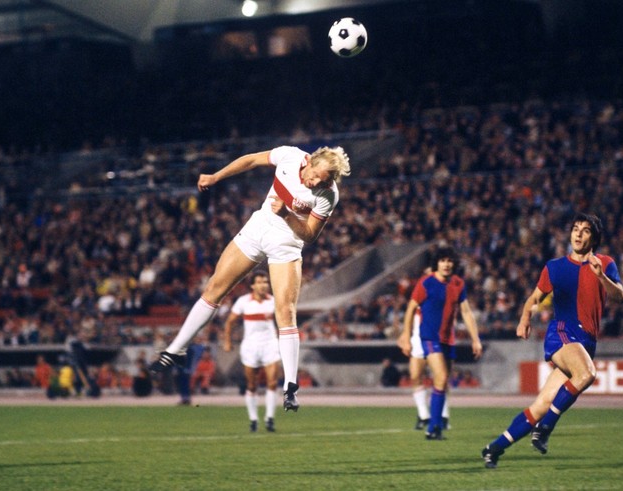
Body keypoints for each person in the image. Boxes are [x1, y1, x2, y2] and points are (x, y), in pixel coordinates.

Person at [148, 145, 351, 412]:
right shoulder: (290, 155)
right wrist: (215, 177)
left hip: (286, 244)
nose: (316, 184)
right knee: (213, 289)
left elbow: (311, 235)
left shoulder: (327, 194)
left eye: (323, 182)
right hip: (257, 229)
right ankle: (176, 350)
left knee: (285, 311)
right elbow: (251, 160)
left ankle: (290, 387)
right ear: (310, 162)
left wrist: (287, 215)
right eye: (316, 177)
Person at [481, 212, 623, 468]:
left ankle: (494, 448)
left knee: (541, 405)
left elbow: (620, 297)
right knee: (587, 374)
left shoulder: (605, 263)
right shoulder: (555, 267)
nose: (578, 234)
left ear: (594, 238)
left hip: (586, 342)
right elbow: (534, 298)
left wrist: (602, 276)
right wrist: (524, 318)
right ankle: (546, 428)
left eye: (585, 230)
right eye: (575, 229)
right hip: (561, 332)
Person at [397, 246, 484, 440]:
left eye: (450, 261)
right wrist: (405, 335)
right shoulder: (426, 283)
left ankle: (436, 423)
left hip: (448, 339)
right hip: (429, 337)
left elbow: (466, 312)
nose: (446, 264)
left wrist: (475, 339)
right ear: (436, 263)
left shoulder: (458, 283)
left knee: (442, 382)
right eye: (443, 260)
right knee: (442, 376)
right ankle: (433, 426)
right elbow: (411, 308)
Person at [223, 270, 281, 432]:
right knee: (252, 384)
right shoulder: (243, 302)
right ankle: (253, 419)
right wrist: (227, 341)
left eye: (266, 282)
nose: (264, 285)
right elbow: (230, 322)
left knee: (272, 382)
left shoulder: (273, 301)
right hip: (250, 346)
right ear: (252, 285)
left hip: (270, 344)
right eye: (260, 282)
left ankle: (269, 418)